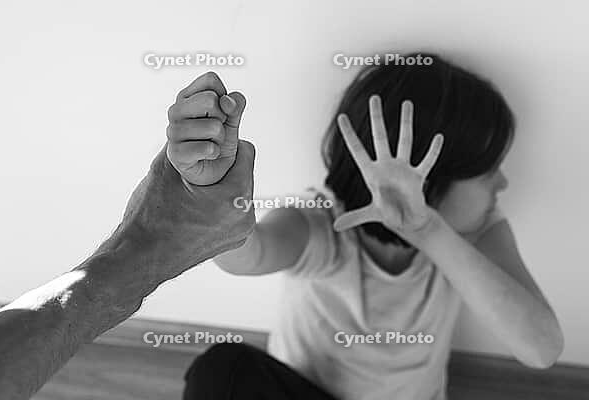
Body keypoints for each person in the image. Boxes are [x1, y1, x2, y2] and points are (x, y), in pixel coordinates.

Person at [189, 54, 565, 400]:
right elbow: (248, 258)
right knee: (223, 369)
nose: (503, 183)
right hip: (305, 392)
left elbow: (541, 349)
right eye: (487, 172)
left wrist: (426, 230)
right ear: (431, 177)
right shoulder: (321, 221)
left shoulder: (476, 232)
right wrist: (216, 197)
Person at [0, 71, 255, 400]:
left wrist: (156, 240)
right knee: (223, 370)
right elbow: (254, 252)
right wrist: (203, 214)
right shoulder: (317, 226)